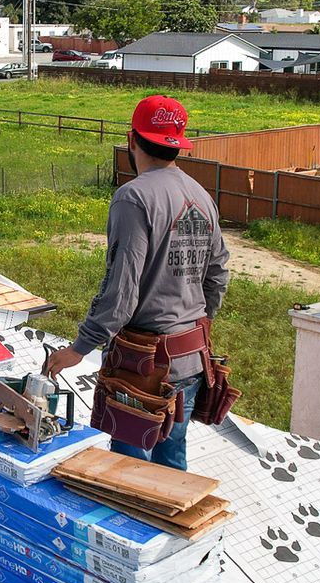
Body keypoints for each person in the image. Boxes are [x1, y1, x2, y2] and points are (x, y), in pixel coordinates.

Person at [45, 95, 230, 470]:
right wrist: (191, 319)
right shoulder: (201, 196)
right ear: (178, 142)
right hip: (192, 360)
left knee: (130, 474)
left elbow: (121, 291)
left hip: (143, 370)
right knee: (171, 463)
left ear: (132, 139)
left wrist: (79, 348)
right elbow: (218, 274)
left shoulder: (133, 198)